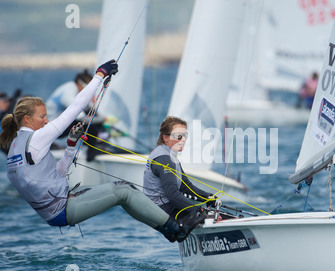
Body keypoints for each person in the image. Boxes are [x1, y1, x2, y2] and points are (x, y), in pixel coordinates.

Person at [0, 60, 197, 243]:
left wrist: (70, 145)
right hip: (63, 209)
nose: (46, 120)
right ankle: (175, 228)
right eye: (42, 116)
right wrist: (100, 76)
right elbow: (75, 108)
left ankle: (169, 229)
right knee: (124, 190)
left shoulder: (15, 147)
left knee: (123, 192)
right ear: (27, 119)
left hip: (57, 210)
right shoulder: (37, 138)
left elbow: (56, 175)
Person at [143, 116, 221, 225]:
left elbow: (185, 186)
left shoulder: (168, 155)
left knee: (211, 215)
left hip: (165, 207)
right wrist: (196, 210)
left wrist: (208, 197)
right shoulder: (165, 159)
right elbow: (172, 195)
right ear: (166, 138)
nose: (183, 140)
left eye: (185, 136)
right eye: (179, 136)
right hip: (161, 210)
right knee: (207, 216)